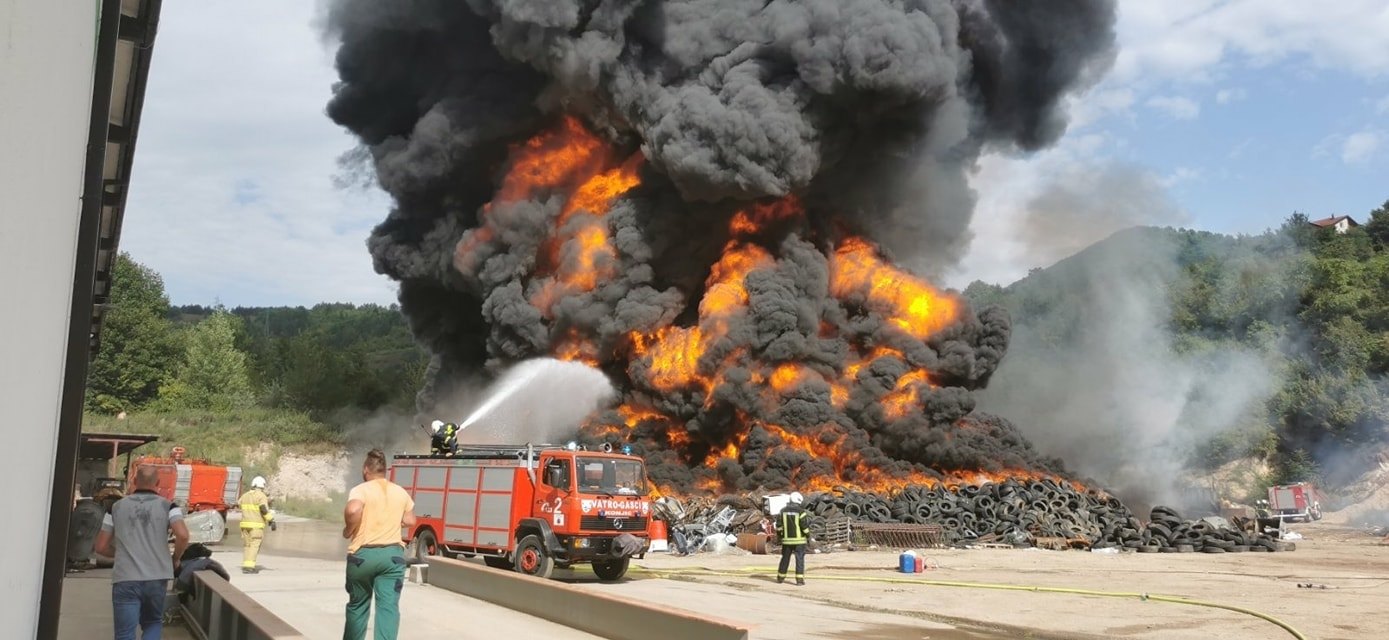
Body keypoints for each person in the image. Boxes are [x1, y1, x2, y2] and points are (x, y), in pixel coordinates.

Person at [93, 466, 190, 640]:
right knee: (152, 622)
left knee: (124, 633)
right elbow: (182, 535)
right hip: (157, 577)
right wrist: (175, 559)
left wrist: (122, 554)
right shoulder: (170, 507)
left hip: (125, 578)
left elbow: (100, 547)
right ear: (158, 483)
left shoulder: (114, 508)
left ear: (135, 481)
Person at [342, 449, 416, 640]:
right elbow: (410, 520)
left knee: (358, 606)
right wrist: (392, 522)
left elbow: (354, 509)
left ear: (366, 469)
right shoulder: (400, 491)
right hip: (393, 557)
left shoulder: (361, 489)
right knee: (388, 608)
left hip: (363, 556)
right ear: (385, 471)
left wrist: (349, 529)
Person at [237, 475, 276, 574]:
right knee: (254, 545)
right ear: (262, 485)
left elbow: (239, 504)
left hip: (244, 525)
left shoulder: (245, 495)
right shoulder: (261, 496)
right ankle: (249, 567)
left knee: (247, 546)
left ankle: (246, 565)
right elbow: (263, 509)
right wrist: (271, 520)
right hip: (256, 526)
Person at [775, 491, 808, 586]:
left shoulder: (782, 511)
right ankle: (799, 580)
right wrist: (808, 535)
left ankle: (780, 578)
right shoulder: (801, 512)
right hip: (799, 541)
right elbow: (804, 526)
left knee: (785, 559)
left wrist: (780, 535)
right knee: (799, 559)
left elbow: (778, 526)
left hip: (786, 541)